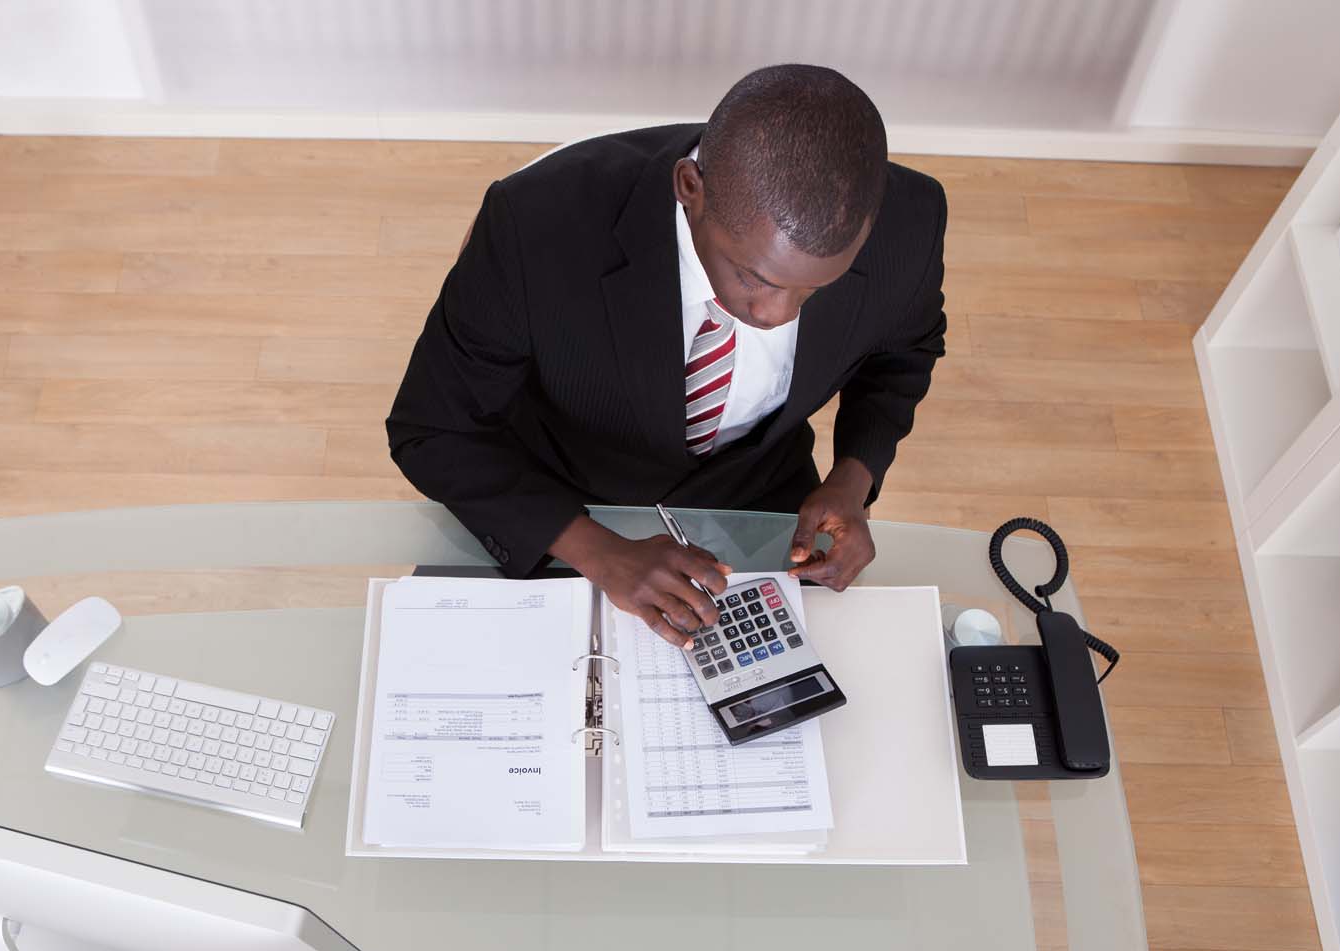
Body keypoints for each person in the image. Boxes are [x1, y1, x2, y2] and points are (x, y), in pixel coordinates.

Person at [387, 64, 947, 648]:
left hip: (760, 496)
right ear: (690, 187)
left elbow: (905, 350)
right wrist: (596, 549)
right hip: (564, 492)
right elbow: (433, 429)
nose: (777, 315)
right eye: (753, 276)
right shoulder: (535, 223)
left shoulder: (910, 221)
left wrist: (853, 478)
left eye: (814, 289)